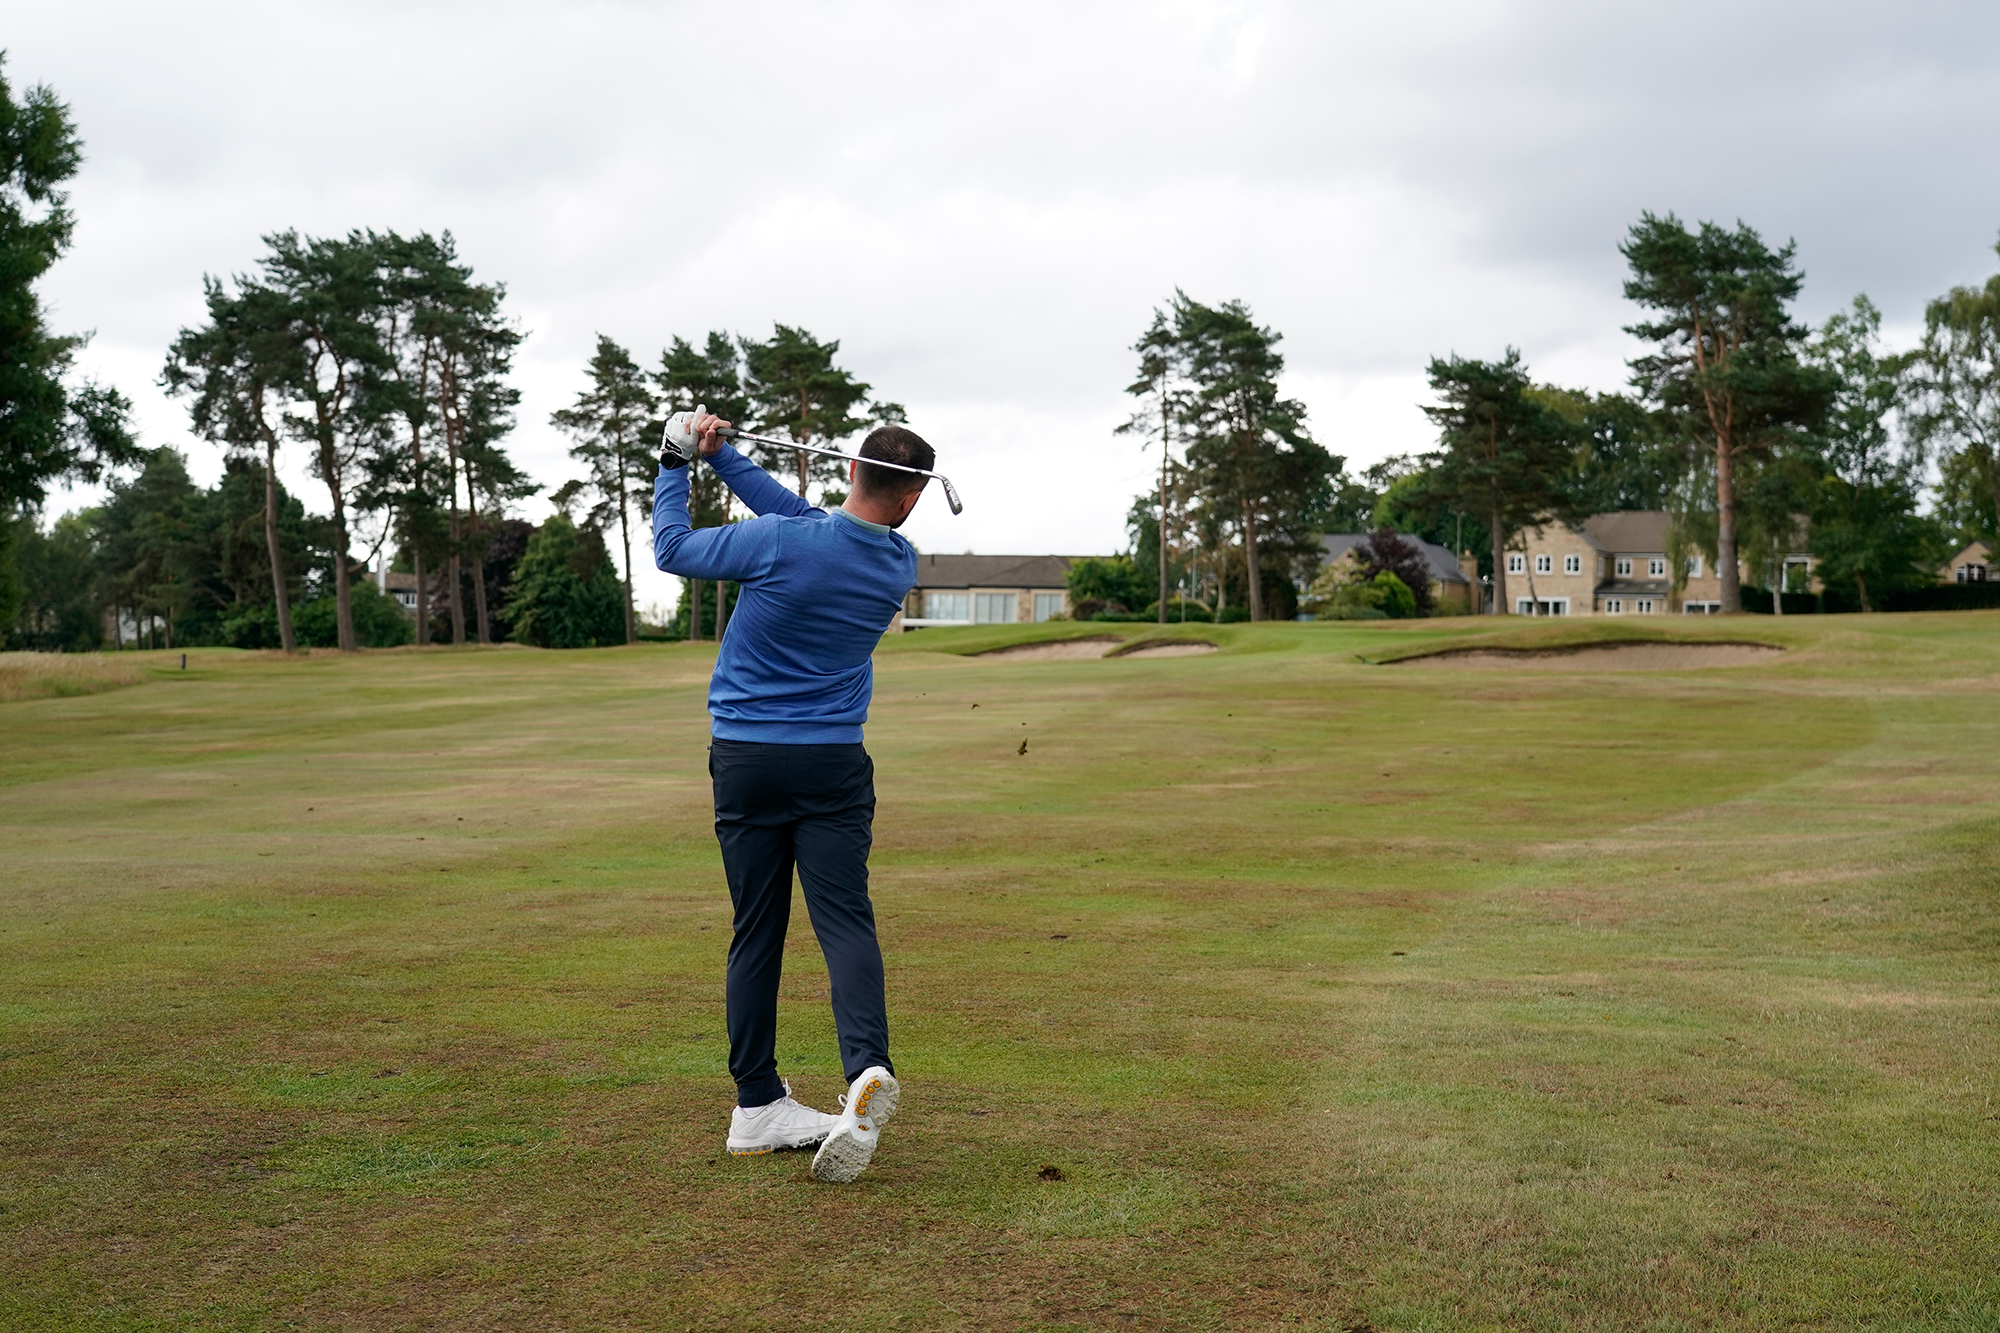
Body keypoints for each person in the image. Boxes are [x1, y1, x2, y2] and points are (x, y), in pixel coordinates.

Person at [652, 407, 934, 1184]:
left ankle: (755, 1105)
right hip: (833, 765)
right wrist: (727, 458)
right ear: (910, 498)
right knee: (843, 920)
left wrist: (677, 461)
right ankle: (865, 1068)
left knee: (757, 930)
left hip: (744, 758)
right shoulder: (896, 562)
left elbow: (673, 548)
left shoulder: (780, 543)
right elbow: (810, 523)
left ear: (850, 470)